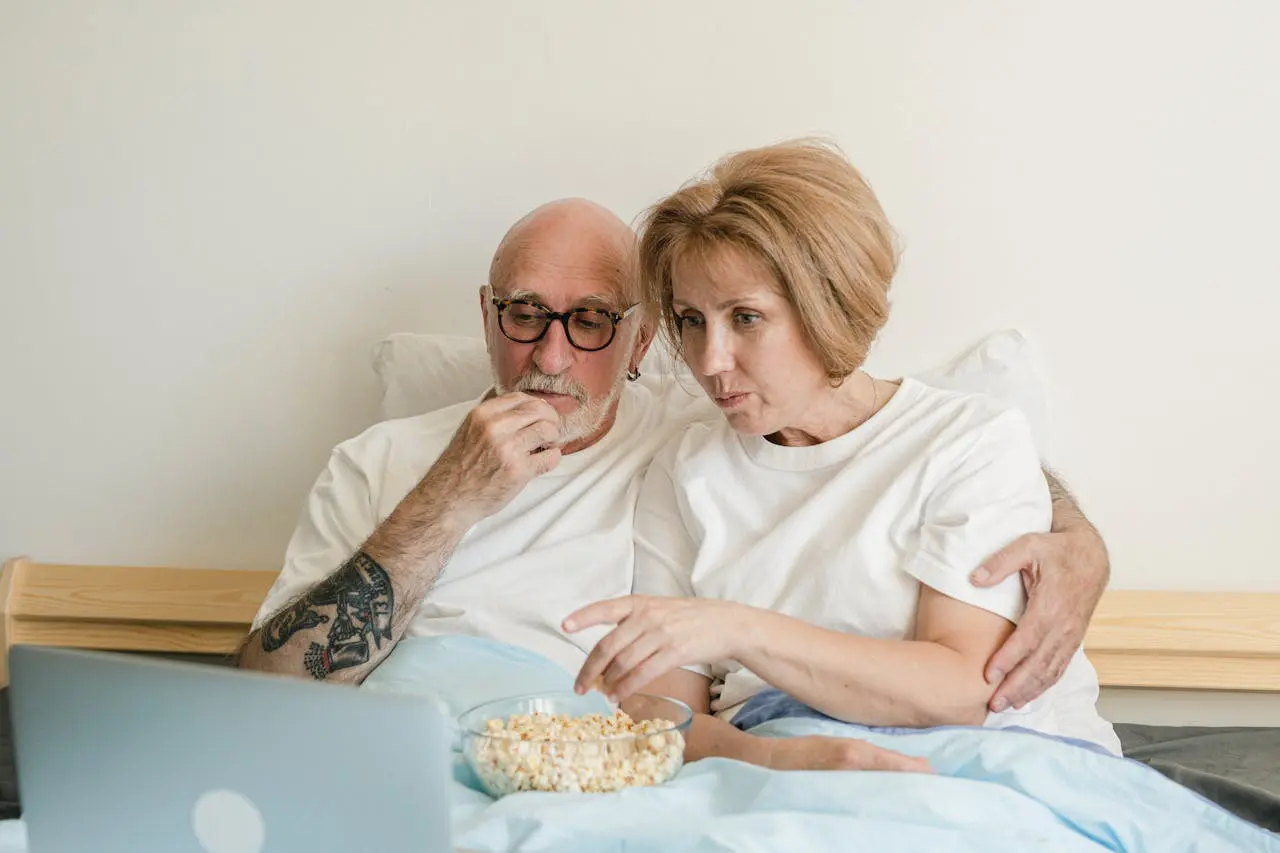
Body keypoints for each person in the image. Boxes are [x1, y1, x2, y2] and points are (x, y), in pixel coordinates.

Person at [238, 195, 1112, 769]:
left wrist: (1076, 539)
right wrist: (446, 500)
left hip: (573, 750)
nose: (549, 355)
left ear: (639, 339)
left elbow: (880, 435)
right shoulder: (377, 458)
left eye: (588, 321)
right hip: (392, 747)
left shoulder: (696, 424)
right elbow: (265, 697)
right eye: (523, 314)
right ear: (486, 313)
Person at [565, 140, 1122, 758]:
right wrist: (780, 760)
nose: (710, 360)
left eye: (745, 317)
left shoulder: (968, 441)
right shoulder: (685, 467)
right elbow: (659, 711)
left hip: (978, 758)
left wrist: (739, 628)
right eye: (692, 321)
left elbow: (963, 689)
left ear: (827, 306)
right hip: (770, 758)